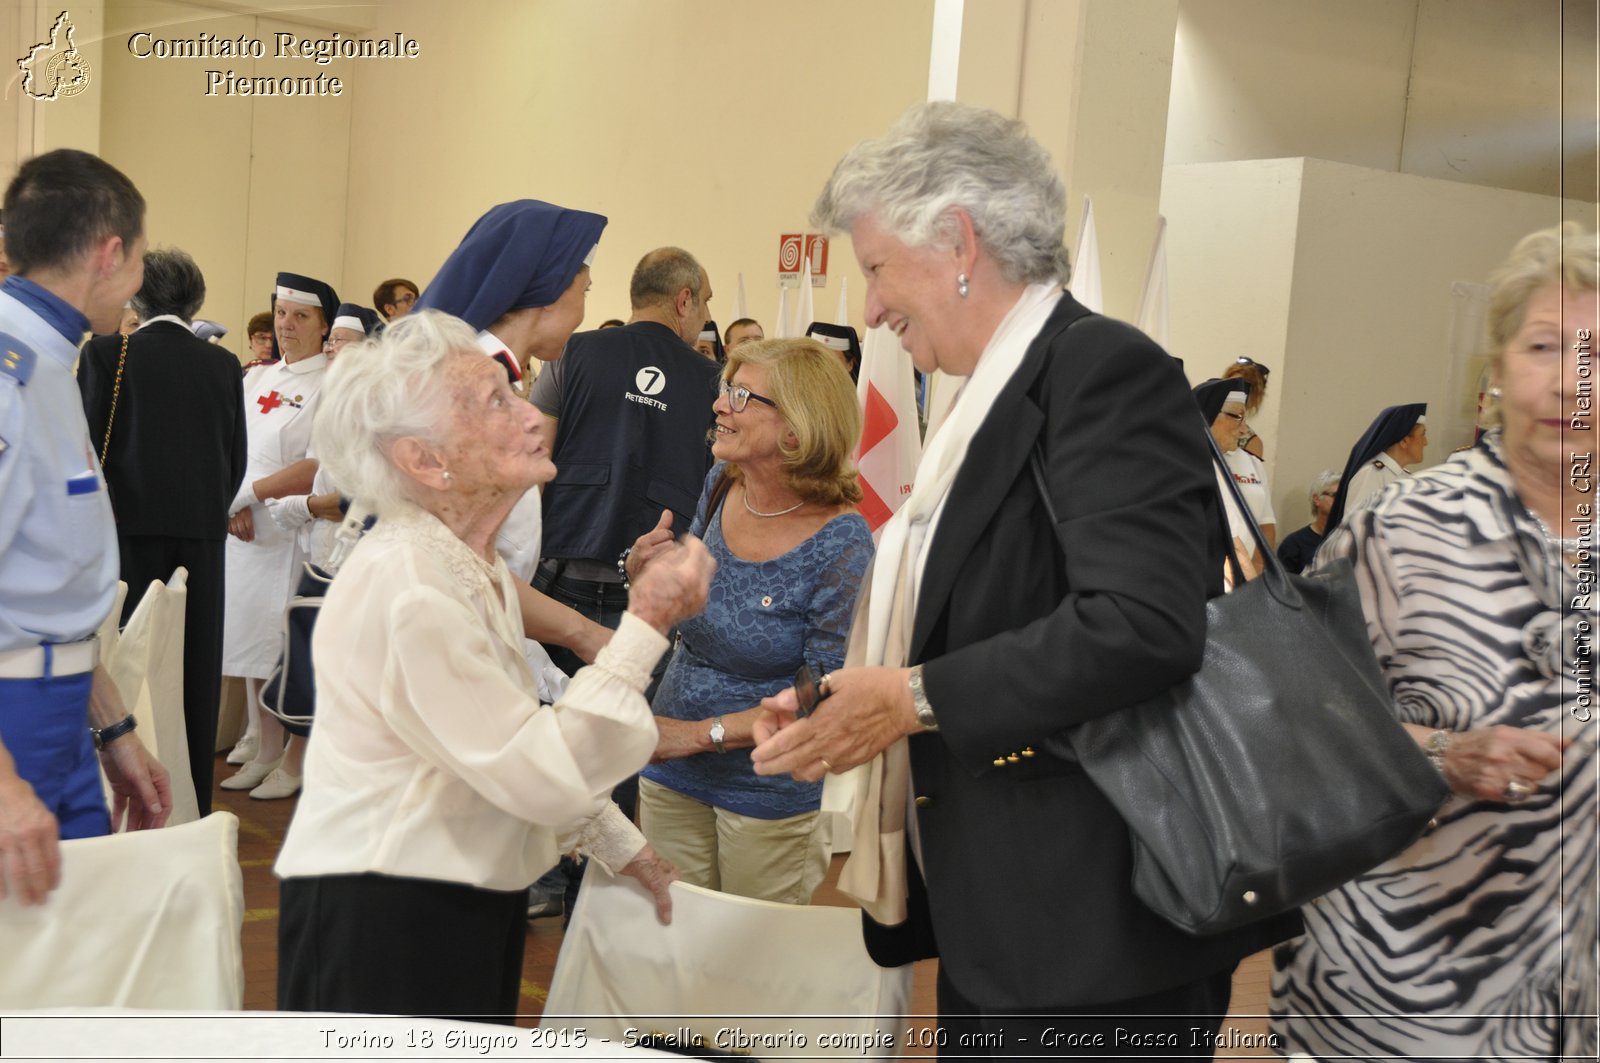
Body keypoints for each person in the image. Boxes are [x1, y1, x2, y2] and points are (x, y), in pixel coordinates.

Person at [748, 102, 1295, 1057]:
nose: (870, 306)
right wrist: (832, 702)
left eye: (876, 268)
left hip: (1102, 931)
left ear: (959, 240)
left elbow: (1141, 624)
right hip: (1009, 913)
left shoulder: (1099, 371)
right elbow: (979, 613)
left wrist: (911, 699)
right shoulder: (990, 398)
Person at [274, 310, 713, 1021]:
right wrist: (643, 624)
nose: (533, 415)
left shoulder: (458, 561)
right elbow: (531, 765)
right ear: (424, 460)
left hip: (456, 890)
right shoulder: (414, 583)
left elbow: (500, 743)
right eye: (496, 402)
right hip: (389, 915)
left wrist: (621, 845)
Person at [1271, 224, 1596, 1059]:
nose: (1571, 380)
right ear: (1494, 371)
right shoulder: (1406, 530)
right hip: (1399, 998)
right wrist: (1445, 753)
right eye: (1543, 346)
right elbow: (1290, 719)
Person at [636, 338, 873, 904]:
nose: (720, 405)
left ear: (797, 426)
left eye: (741, 395)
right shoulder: (722, 484)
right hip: (668, 762)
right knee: (677, 940)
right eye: (725, 390)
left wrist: (699, 736)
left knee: (746, 964)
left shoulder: (841, 538)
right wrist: (642, 571)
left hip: (764, 785)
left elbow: (821, 689)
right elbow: (685, 597)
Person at [0, 148, 172, 906]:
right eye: (137, 260)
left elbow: (44, 588)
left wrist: (113, 728)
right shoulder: (8, 377)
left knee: (67, 978)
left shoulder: (51, 362)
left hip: (62, 714)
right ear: (111, 254)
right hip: (13, 729)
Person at [78, 247, 248, 813]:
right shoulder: (223, 365)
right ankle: (192, 793)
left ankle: (121, 791)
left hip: (127, 532)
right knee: (193, 666)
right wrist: (206, 509)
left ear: (136, 296)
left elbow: (88, 452)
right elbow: (235, 459)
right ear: (194, 298)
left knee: (126, 661)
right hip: (202, 536)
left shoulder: (109, 352)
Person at [530, 247, 721, 679]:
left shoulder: (570, 353)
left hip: (555, 587)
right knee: (629, 732)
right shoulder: (713, 382)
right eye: (707, 301)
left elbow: (533, 467)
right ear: (683, 300)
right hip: (647, 602)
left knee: (544, 718)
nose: (707, 315)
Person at [220, 271, 337, 794]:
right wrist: (231, 503)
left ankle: (286, 754)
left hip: (288, 528)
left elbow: (317, 464)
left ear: (323, 325)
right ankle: (262, 746)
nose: (286, 325)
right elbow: (229, 445)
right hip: (242, 528)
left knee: (278, 644)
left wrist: (245, 496)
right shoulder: (256, 379)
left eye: (300, 316)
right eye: (281, 314)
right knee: (245, 639)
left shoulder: (330, 384)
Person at [1325, 401, 1428, 532]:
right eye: (1423, 434)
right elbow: (1356, 531)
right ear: (1404, 441)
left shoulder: (1406, 476)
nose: (1426, 442)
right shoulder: (1371, 475)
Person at [1275, 469, 1338, 574]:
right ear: (1316, 499)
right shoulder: (1293, 544)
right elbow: (1282, 587)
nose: (1341, 501)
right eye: (1336, 496)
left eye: (1344, 496)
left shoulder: (1348, 539)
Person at [1221, 356, 1269, 459]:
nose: (1232, 391)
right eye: (1228, 383)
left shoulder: (1252, 442)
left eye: (1241, 387)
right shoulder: (1204, 422)